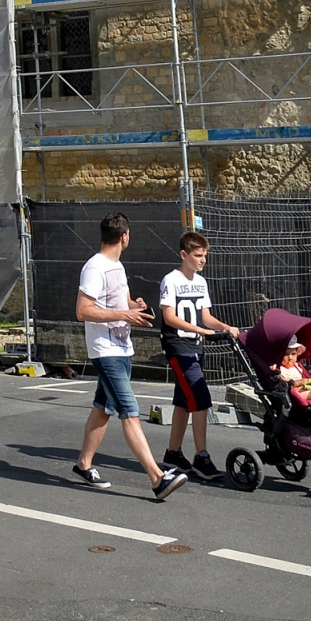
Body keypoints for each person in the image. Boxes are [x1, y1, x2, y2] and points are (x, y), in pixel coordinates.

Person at [72, 212, 188, 502]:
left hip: (122, 347)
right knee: (129, 410)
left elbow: (118, 299)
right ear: (124, 236)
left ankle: (83, 464)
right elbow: (83, 310)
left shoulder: (117, 266)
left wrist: (132, 304)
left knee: (103, 407)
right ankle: (157, 478)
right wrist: (124, 313)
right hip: (105, 350)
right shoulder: (94, 267)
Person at [158, 229, 241, 483]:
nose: (203, 260)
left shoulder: (201, 282)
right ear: (184, 255)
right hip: (178, 346)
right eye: (198, 255)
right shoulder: (171, 280)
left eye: (205, 255)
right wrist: (201, 331)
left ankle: (172, 453)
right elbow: (169, 317)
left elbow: (205, 316)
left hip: (195, 347)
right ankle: (201, 456)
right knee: (201, 397)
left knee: (184, 400)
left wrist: (224, 327)